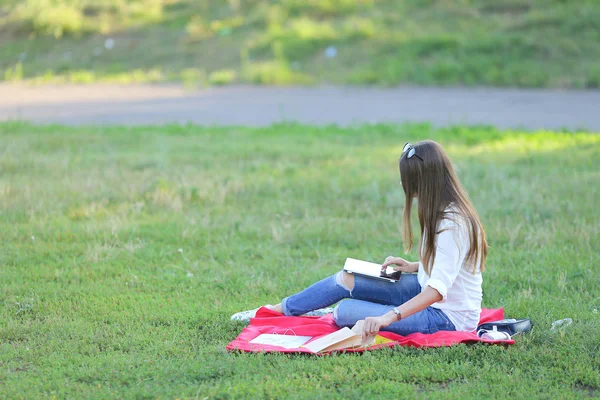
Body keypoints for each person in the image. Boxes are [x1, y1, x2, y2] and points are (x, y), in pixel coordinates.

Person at [231, 140, 488, 340]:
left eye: (407, 179)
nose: (402, 183)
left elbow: (437, 291)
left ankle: (341, 310)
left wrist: (390, 316)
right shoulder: (441, 210)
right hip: (425, 290)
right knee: (346, 277)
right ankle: (276, 310)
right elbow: (448, 266)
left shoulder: (453, 224)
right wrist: (412, 266)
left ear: (424, 181)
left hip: (446, 317)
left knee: (345, 311)